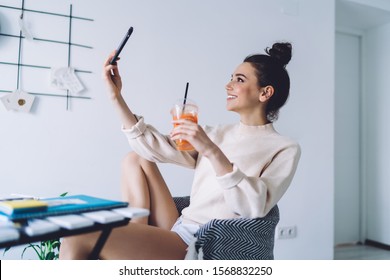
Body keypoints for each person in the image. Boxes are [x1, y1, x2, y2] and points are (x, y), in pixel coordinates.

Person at [59, 42, 301, 260]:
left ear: (265, 92)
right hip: (179, 225)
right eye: (231, 78)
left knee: (76, 236)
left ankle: (132, 240)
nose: (228, 85)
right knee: (135, 158)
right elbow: (153, 148)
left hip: (202, 242)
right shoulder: (216, 132)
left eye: (239, 79)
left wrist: (210, 149)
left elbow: (254, 207)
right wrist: (116, 97)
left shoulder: (283, 148)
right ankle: (136, 231)